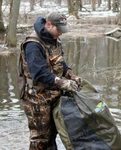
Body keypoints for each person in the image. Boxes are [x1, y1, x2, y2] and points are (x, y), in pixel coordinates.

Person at [19, 12, 82, 150]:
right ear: (48, 25)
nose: (60, 33)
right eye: (58, 30)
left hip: (53, 95)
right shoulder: (33, 44)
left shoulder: (54, 39)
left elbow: (60, 62)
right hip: (36, 98)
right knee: (40, 139)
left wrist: (71, 75)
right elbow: (39, 73)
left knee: (52, 134)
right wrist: (64, 83)